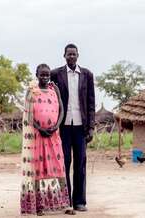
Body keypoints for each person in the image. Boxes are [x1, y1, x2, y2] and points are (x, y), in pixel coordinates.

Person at [20, 64, 74, 216]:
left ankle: (65, 204)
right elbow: (29, 115)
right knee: (39, 170)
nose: (45, 77)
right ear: (36, 75)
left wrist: (56, 126)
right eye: (42, 75)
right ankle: (40, 206)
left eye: (47, 75)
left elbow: (62, 109)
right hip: (38, 137)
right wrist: (41, 128)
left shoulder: (54, 89)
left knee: (59, 167)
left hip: (54, 135)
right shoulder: (32, 91)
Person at [51, 44, 96, 212]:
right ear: (64, 55)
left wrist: (91, 128)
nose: (71, 57)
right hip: (62, 126)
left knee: (80, 164)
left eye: (74, 54)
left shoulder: (87, 75)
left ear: (78, 55)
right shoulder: (56, 74)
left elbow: (91, 102)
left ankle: (80, 201)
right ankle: (66, 200)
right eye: (68, 54)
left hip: (80, 127)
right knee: (64, 164)